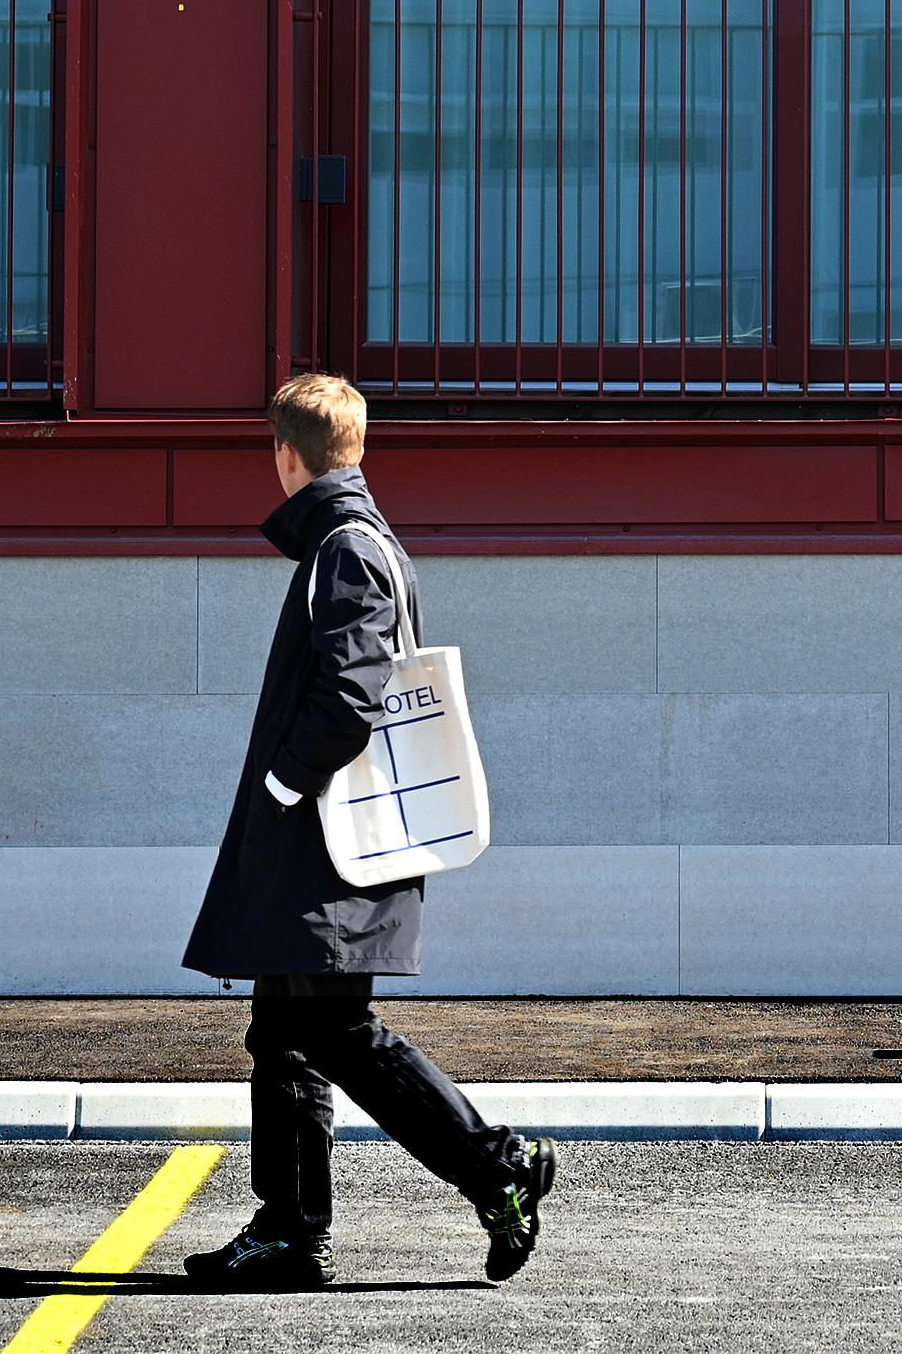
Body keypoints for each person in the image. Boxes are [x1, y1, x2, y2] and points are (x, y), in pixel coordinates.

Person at [180, 372, 558, 1290]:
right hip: (327, 844)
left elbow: (355, 690)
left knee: (331, 1031)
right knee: (293, 1032)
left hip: (320, 844)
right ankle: (294, 1229)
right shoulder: (360, 541)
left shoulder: (343, 550)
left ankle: (491, 1168)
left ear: (285, 454)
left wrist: (279, 787)